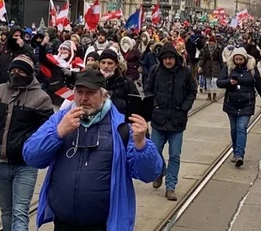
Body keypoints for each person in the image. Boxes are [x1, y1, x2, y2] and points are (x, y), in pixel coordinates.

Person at [22, 70, 163, 231]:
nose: (83, 98)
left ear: (104, 95)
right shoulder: (61, 119)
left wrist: (141, 145)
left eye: (90, 93)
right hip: (64, 223)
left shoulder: (121, 126)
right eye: (79, 92)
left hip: (103, 225)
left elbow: (150, 174)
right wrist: (58, 133)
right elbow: (31, 156)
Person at [0, 54, 52, 231]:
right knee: (6, 211)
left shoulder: (41, 98)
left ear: (29, 74)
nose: (16, 74)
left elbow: (45, 131)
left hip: (25, 165)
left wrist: (28, 147)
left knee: (20, 212)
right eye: (13, 70)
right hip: (0, 162)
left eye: (21, 71)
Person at [144, 43, 197, 201]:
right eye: (165, 58)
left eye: (170, 58)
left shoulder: (185, 72)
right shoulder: (155, 71)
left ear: (176, 58)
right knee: (154, 152)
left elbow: (192, 91)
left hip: (177, 120)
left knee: (175, 155)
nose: (168, 61)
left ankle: (170, 186)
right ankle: (160, 171)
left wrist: (184, 108)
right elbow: (148, 90)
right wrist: (154, 105)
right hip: (159, 119)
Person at [217, 47, 261, 167]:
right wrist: (229, 82)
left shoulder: (251, 68)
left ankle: (239, 154)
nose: (239, 61)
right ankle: (236, 151)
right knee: (234, 129)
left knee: (241, 127)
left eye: (241, 59)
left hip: (247, 103)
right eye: (237, 59)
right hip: (231, 103)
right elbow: (219, 82)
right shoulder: (228, 67)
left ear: (245, 59)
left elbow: (259, 84)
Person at [198, 36, 223, 102]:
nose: (211, 44)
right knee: (208, 81)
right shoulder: (205, 49)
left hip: (216, 66)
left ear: (215, 43)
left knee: (214, 81)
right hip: (207, 66)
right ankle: (209, 95)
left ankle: (214, 94)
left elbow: (220, 59)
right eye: (210, 43)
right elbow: (203, 59)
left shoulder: (218, 49)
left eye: (213, 43)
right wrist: (200, 66)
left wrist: (222, 67)